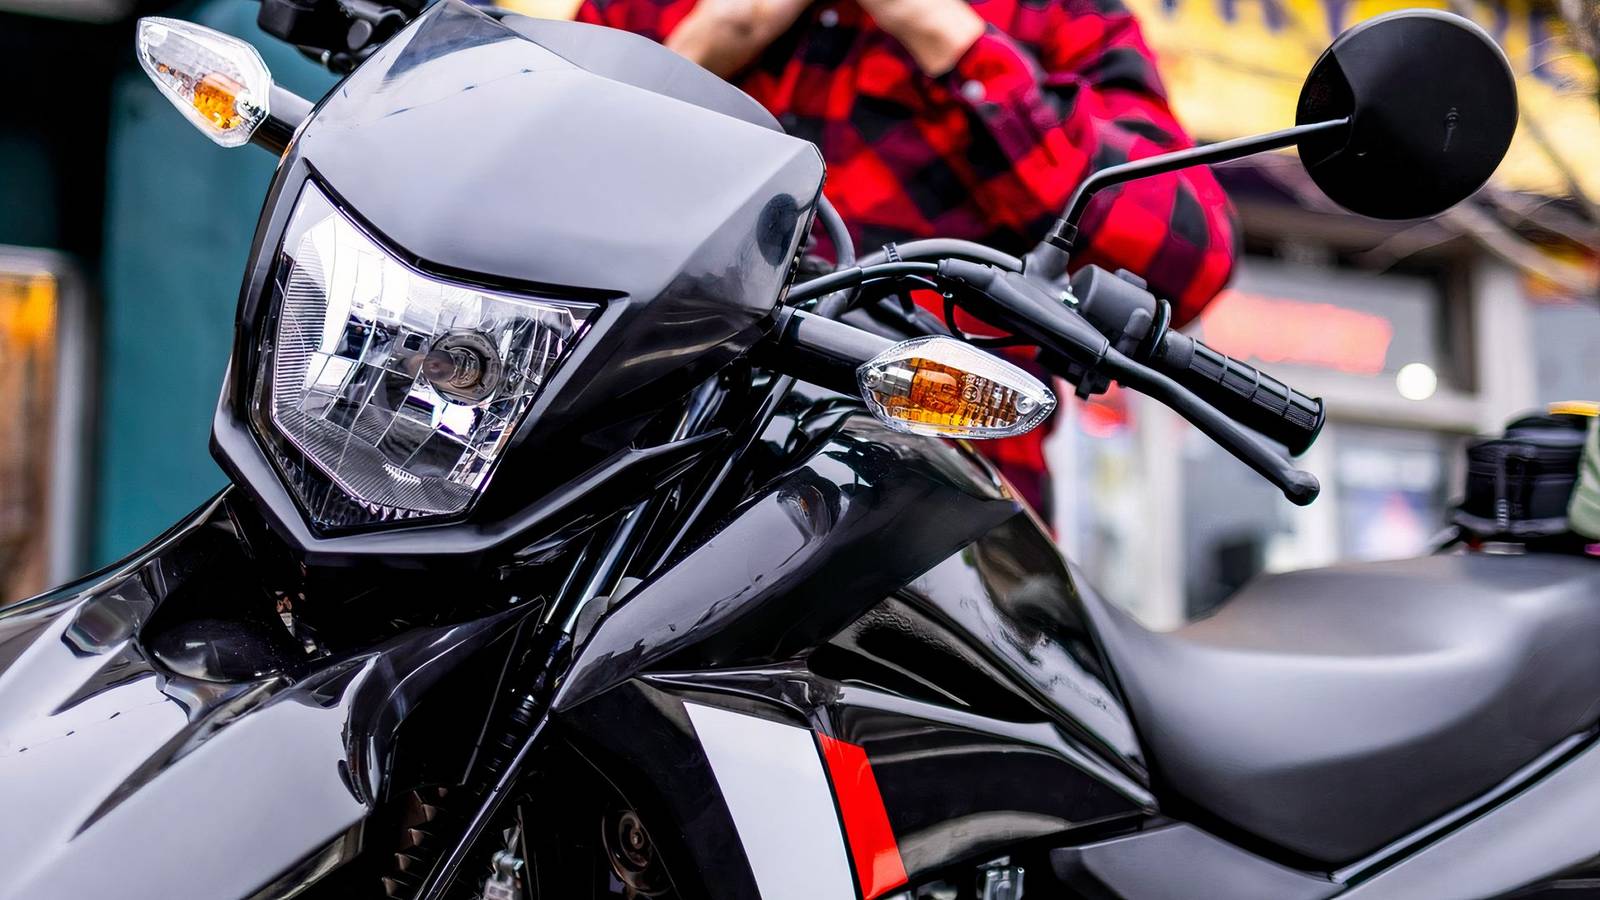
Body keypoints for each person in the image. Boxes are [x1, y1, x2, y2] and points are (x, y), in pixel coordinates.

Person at [576, 0, 1237, 519]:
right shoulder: (648, 8)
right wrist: (705, 47)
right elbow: (547, 203)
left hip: (938, 517)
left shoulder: (1052, 12)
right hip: (629, 491)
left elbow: (1189, 260)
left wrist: (953, 39)